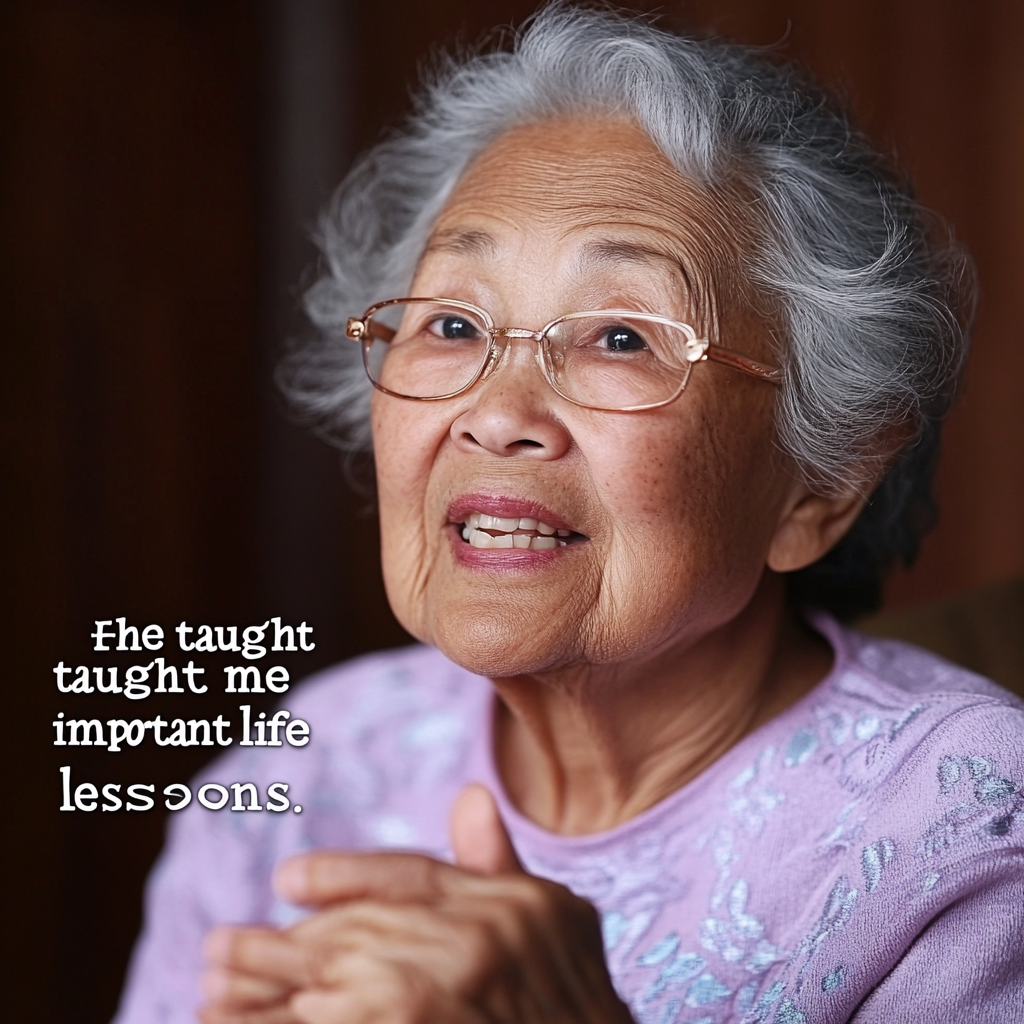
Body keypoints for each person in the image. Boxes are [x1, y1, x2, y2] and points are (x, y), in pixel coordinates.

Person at [114, 5, 1023, 1023]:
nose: (497, 415)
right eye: (452, 323)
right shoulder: (309, 763)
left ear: (822, 483)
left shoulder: (967, 831)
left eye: (621, 338)